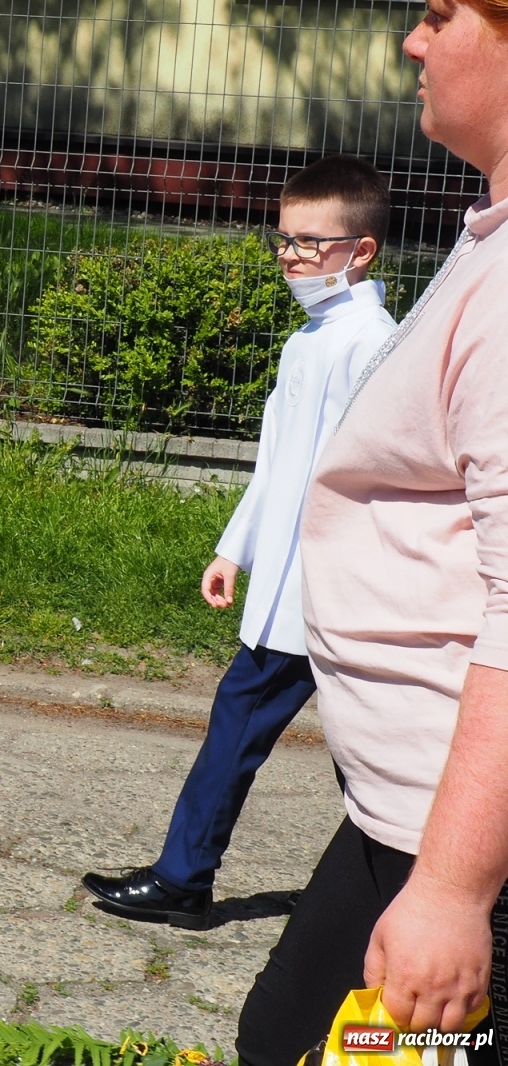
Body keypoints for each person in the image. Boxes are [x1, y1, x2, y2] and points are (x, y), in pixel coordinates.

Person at [234, 0, 508, 1058]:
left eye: (441, 14)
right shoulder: (487, 235)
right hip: (410, 802)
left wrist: (451, 886)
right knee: (278, 1032)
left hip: (462, 836)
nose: (412, 41)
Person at [81, 156, 397, 931]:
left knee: (350, 750)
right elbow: (277, 467)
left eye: (309, 243)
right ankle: (374, 896)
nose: (290, 257)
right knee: (355, 749)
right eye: (282, 240)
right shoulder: (310, 341)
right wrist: (235, 550)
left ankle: (189, 880)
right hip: (291, 585)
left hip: (326, 592)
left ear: (361, 251)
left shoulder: (372, 343)